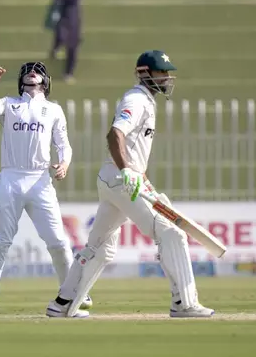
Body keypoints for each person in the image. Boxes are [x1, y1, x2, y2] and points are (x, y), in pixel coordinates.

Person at [47, 50, 215, 318]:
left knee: (99, 247)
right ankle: (184, 303)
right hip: (121, 180)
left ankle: (62, 302)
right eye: (162, 73)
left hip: (117, 179)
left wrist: (138, 175)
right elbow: (115, 134)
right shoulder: (136, 100)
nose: (167, 78)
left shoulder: (146, 100)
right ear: (146, 73)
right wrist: (128, 171)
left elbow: (132, 147)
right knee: (171, 233)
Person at [0, 62, 91, 314]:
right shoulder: (8, 104)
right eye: (27, 70)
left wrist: (65, 164)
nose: (31, 72)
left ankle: (72, 294)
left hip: (40, 181)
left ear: (46, 81)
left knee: (59, 242)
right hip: (11, 178)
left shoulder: (54, 110)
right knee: (0, 241)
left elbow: (64, 145)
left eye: (37, 71)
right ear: (20, 80)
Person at [47, 0, 84, 84]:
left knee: (72, 45)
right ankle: (55, 48)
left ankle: (68, 72)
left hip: (72, 15)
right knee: (60, 36)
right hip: (60, 12)